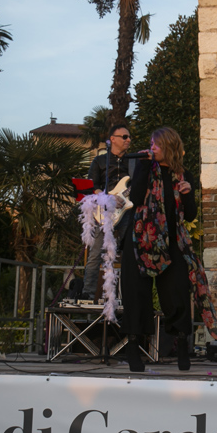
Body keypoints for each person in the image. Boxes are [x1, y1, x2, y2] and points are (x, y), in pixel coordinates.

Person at [121, 127, 217, 372]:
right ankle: (134, 348)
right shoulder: (145, 167)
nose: (152, 148)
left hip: (173, 240)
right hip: (141, 238)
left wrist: (187, 195)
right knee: (136, 293)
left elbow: (191, 215)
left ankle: (182, 346)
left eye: (156, 145)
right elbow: (135, 197)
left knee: (177, 293)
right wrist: (144, 164)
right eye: (151, 144)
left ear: (169, 147)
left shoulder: (184, 174)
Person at [82, 123, 134, 300]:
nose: (128, 140)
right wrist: (108, 198)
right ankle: (88, 294)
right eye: (124, 137)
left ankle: (126, 296)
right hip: (103, 211)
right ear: (112, 139)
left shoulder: (133, 162)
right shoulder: (99, 161)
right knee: (95, 253)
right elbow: (90, 187)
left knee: (128, 252)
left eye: (129, 137)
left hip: (126, 211)